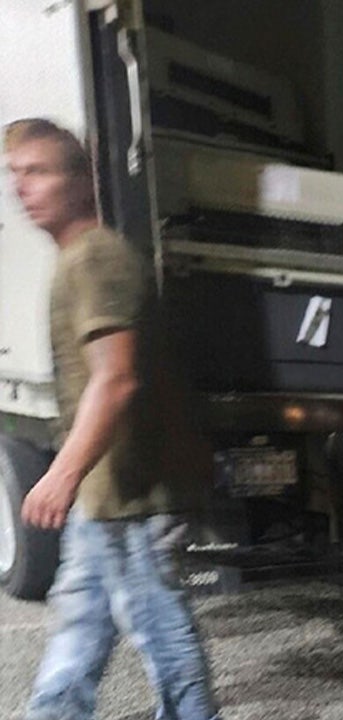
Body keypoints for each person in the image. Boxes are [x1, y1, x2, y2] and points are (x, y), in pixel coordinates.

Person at [5, 118, 219, 720]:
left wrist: (62, 473)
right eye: (15, 175)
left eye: (38, 172)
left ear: (80, 183)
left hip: (134, 493)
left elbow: (116, 377)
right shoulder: (77, 258)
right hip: (105, 496)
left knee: (158, 627)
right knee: (80, 623)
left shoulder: (97, 259)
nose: (22, 188)